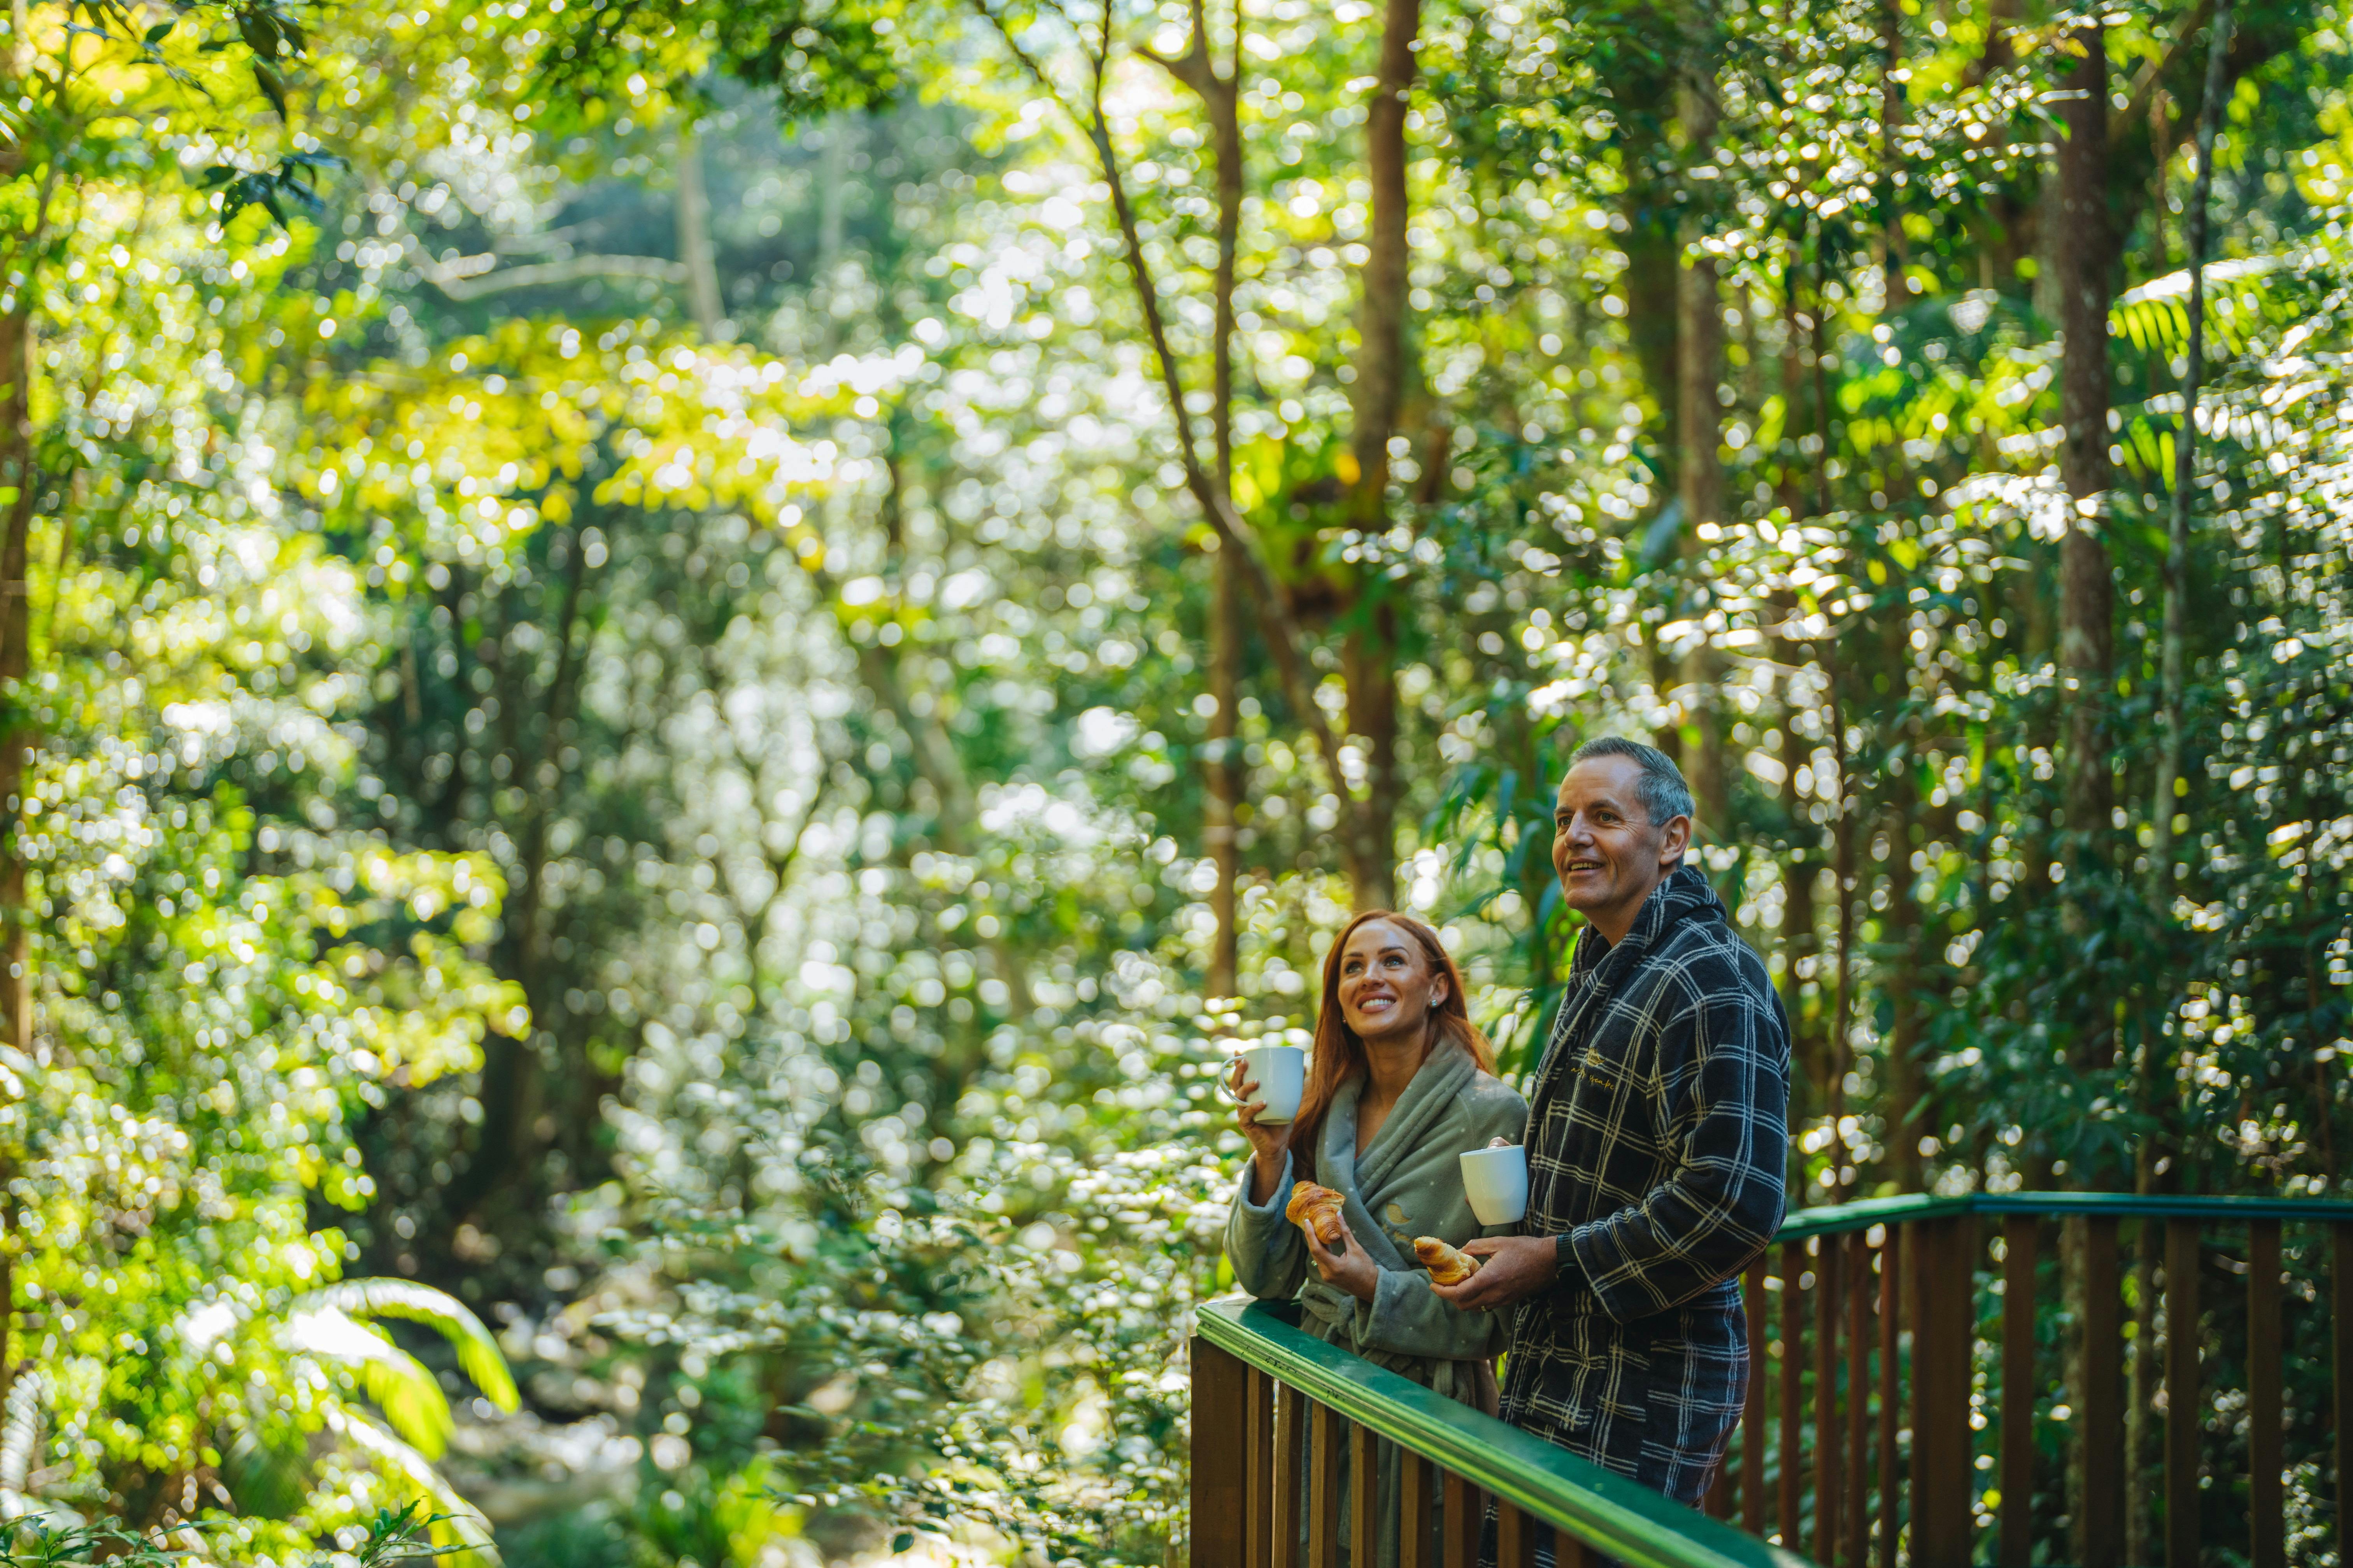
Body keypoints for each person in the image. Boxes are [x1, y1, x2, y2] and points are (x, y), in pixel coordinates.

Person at [1431, 737, 1790, 1517]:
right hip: (1559, 1363)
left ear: (1672, 841)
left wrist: (1556, 1258)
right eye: (1564, 820)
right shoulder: (1611, 961)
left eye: (1604, 816)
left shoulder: (1708, 977)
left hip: (1645, 1379)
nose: (1575, 838)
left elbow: (1735, 1201)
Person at [1224, 909, 1528, 1567]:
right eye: (1352, 968)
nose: (1371, 977)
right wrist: (1272, 1154)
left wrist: (1377, 1288)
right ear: (1337, 997)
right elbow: (1266, 1278)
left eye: (1393, 961)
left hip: (1432, 1413)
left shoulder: (1494, 1113)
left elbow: (1499, 1316)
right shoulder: (1318, 1113)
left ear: (1437, 985)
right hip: (1328, 1397)